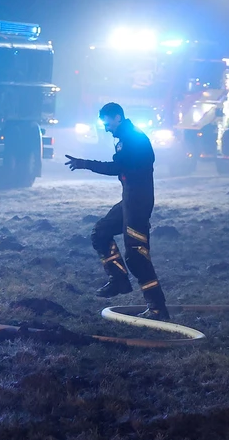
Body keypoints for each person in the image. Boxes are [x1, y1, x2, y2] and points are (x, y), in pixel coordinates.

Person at [65, 102, 170, 321]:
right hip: (129, 200)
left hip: (138, 204)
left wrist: (84, 163)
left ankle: (157, 309)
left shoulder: (133, 139)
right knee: (101, 232)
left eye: (107, 123)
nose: (105, 128)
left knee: (137, 256)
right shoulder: (127, 138)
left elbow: (116, 168)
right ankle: (119, 280)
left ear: (118, 118)